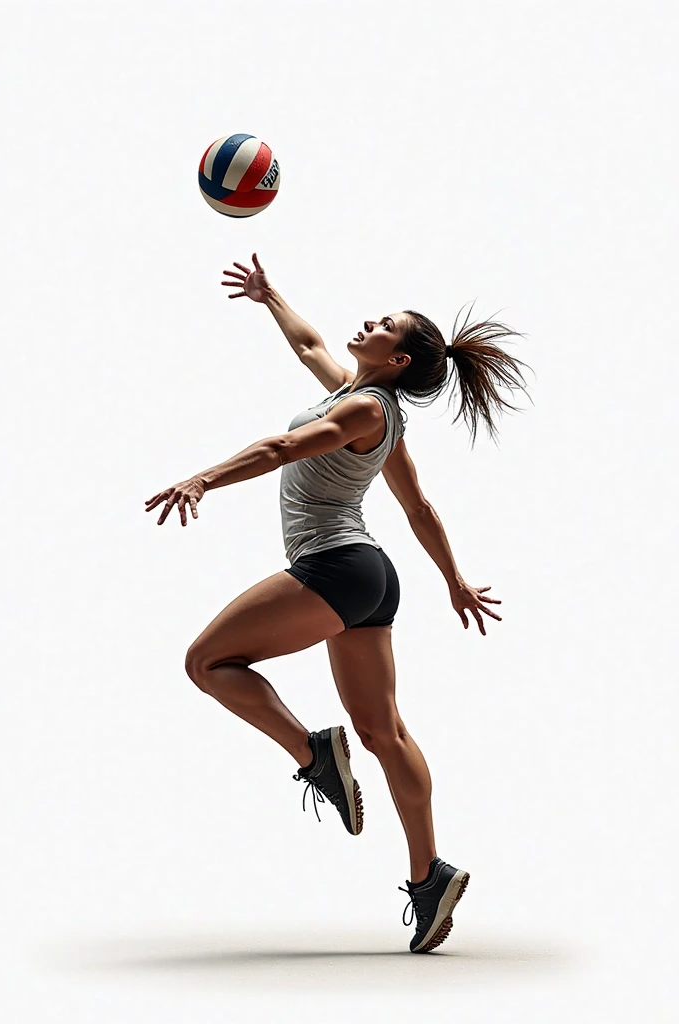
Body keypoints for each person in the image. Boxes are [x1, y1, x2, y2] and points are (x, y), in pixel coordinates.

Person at [144, 253, 532, 953]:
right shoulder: (365, 399)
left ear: (401, 358)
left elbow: (285, 446)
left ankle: (314, 753)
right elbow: (414, 501)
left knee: (207, 662)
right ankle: (429, 875)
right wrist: (270, 296)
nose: (367, 323)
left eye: (383, 325)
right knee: (384, 734)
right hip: (371, 579)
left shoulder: (360, 409)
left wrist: (203, 479)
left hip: (336, 567)